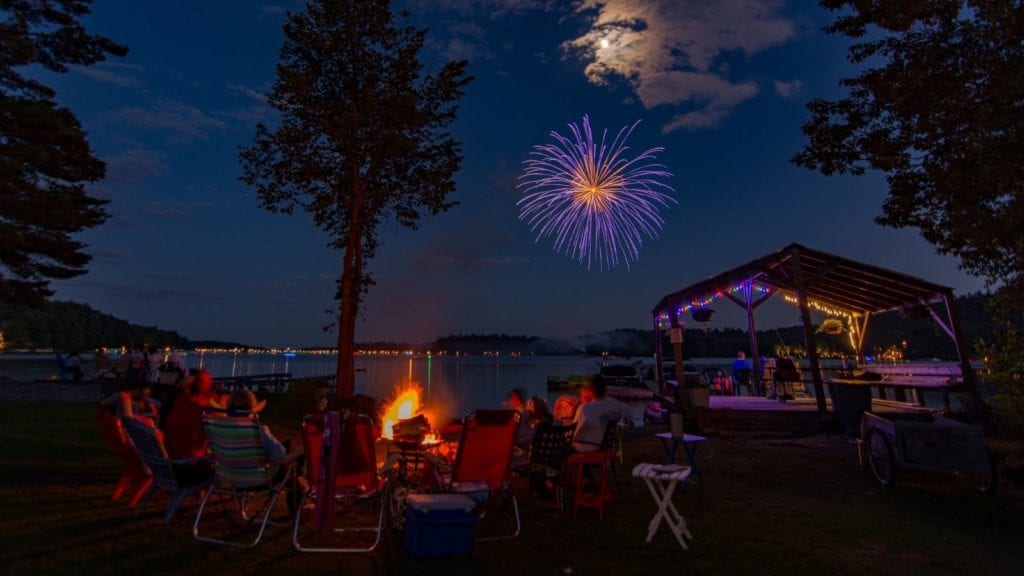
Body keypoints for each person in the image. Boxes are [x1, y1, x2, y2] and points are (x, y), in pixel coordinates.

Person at [571, 376, 633, 452]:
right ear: (605, 389)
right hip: (604, 446)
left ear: (590, 390)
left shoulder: (585, 408)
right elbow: (630, 413)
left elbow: (574, 432)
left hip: (584, 447)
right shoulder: (614, 404)